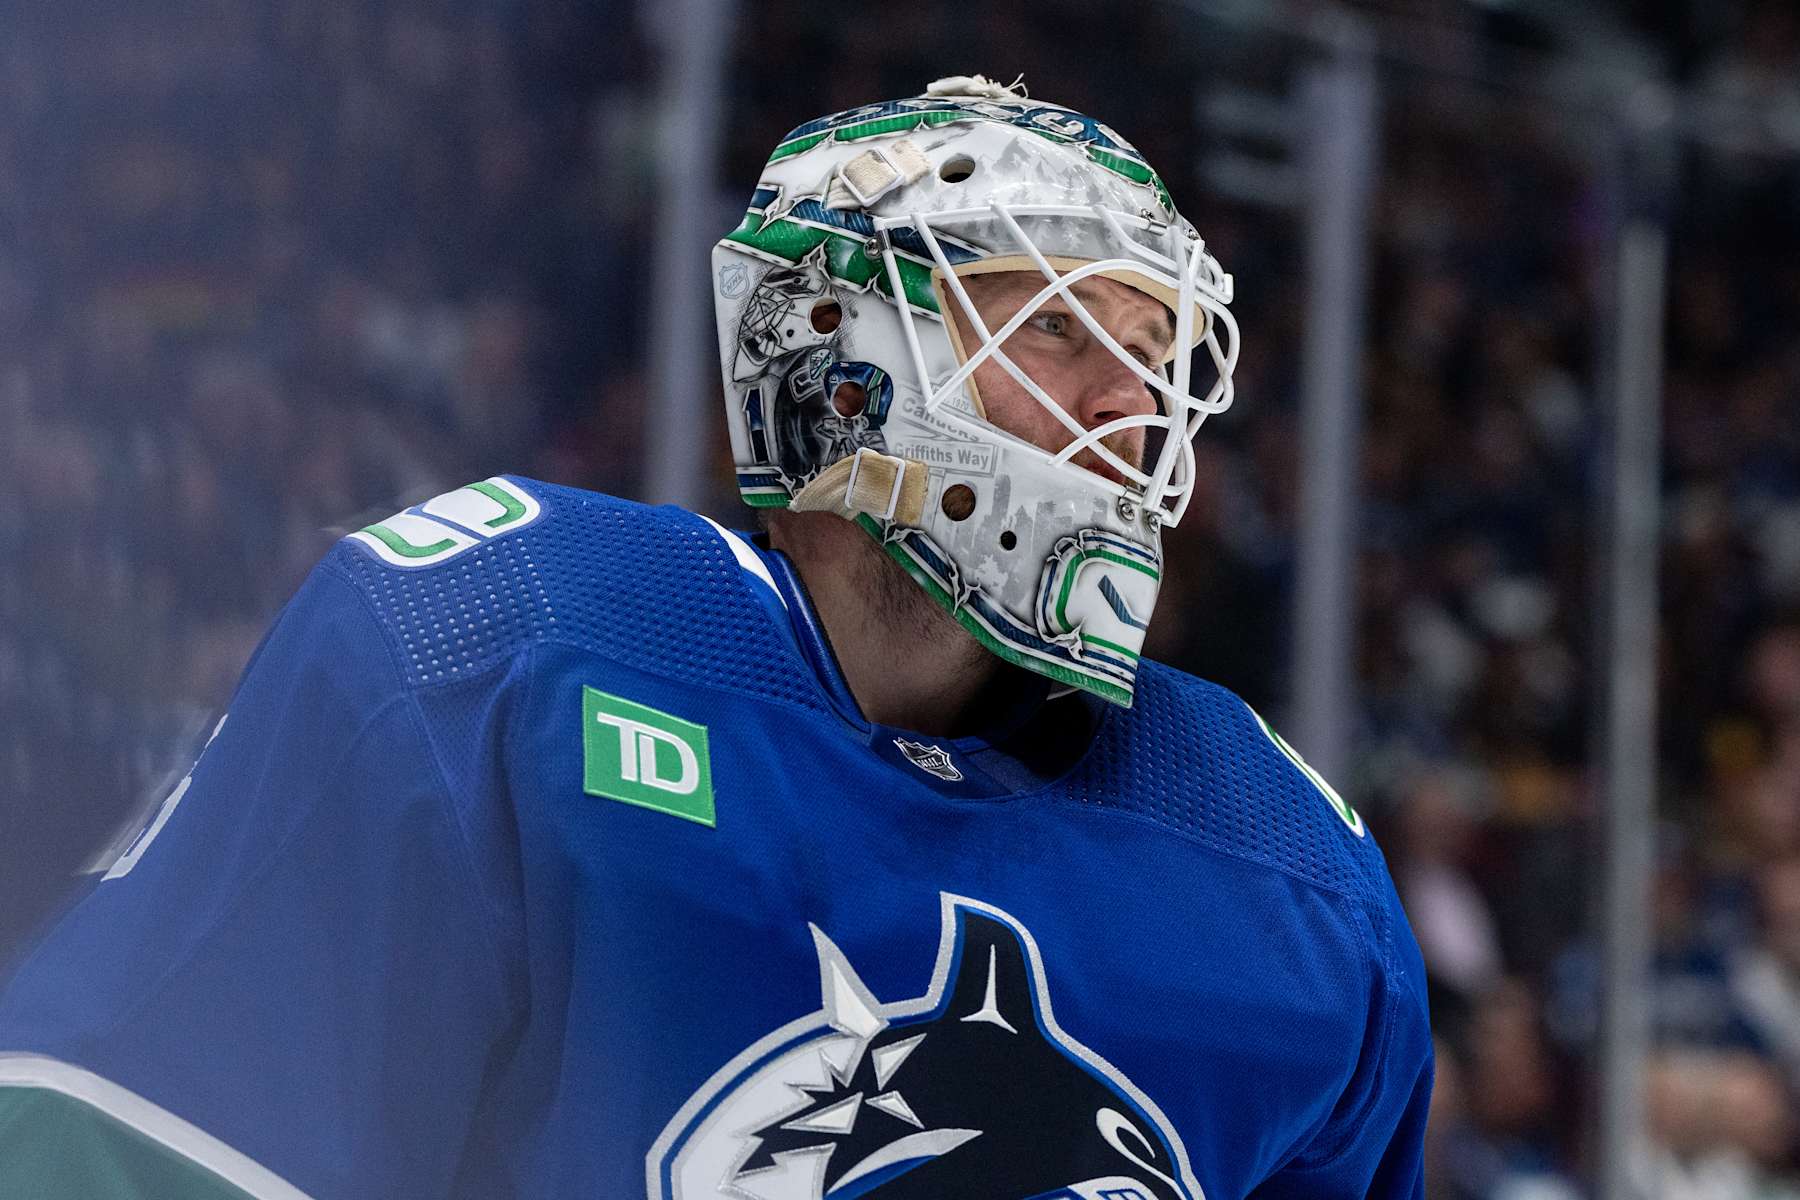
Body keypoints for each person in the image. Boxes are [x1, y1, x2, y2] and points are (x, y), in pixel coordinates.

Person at [0, 75, 1431, 1198]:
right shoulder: (494, 642)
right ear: (836, 348)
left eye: (1154, 353)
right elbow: (140, 1144)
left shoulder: (1291, 873)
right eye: (1059, 331)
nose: (1129, 405)